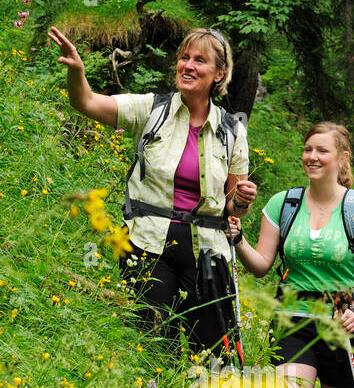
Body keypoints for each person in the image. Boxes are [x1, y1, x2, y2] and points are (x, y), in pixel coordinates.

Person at [48, 25, 256, 354]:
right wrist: (77, 72)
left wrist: (241, 201)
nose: (187, 65)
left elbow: (232, 208)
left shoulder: (232, 131)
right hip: (147, 242)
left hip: (207, 251)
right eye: (184, 57)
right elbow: (86, 102)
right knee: (157, 345)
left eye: (199, 60)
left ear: (220, 74)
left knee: (215, 353)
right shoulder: (151, 110)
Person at [227, 123, 354, 388]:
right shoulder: (283, 204)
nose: (312, 156)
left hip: (342, 322)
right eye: (308, 149)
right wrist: (238, 240)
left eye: (322, 150)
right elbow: (261, 265)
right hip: (292, 319)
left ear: (342, 158)